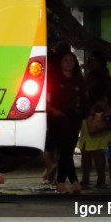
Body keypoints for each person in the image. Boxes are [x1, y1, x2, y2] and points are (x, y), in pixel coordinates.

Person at [46, 51, 87, 194]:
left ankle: (73, 182)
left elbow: (83, 99)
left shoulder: (78, 80)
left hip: (74, 120)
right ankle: (62, 182)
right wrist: (53, 110)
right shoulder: (54, 80)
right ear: (60, 63)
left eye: (71, 60)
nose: (69, 63)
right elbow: (46, 100)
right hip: (58, 120)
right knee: (65, 151)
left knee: (67, 151)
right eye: (65, 60)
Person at [42, 41, 71, 184]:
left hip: (49, 108)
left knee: (46, 144)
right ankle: (57, 171)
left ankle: (50, 167)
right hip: (64, 110)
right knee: (61, 144)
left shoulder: (48, 65)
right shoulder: (67, 70)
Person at [78, 98, 111, 189]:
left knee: (89, 157)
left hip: (91, 131)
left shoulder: (91, 105)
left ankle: (88, 180)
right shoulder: (104, 105)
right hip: (95, 132)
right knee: (98, 156)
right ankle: (100, 180)